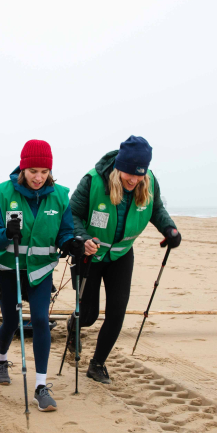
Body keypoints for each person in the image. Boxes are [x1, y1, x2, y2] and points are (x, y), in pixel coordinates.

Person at [70, 135, 181, 384]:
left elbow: (157, 210)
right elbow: (72, 214)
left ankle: (97, 364)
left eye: (139, 174)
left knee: (117, 313)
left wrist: (170, 230)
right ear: (118, 166)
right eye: (129, 173)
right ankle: (73, 328)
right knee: (87, 315)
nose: (133, 179)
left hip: (121, 254)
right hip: (90, 253)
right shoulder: (93, 181)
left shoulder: (149, 183)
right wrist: (82, 238)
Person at [0, 140, 82, 412]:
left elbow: (64, 232)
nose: (38, 178)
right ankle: (2, 360)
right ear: (23, 169)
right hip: (9, 267)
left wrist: (70, 243)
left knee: (40, 320)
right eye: (33, 171)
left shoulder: (60, 196)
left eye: (44, 171)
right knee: (11, 321)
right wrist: (6, 234)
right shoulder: (3, 193)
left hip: (40, 270)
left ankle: (41, 387)